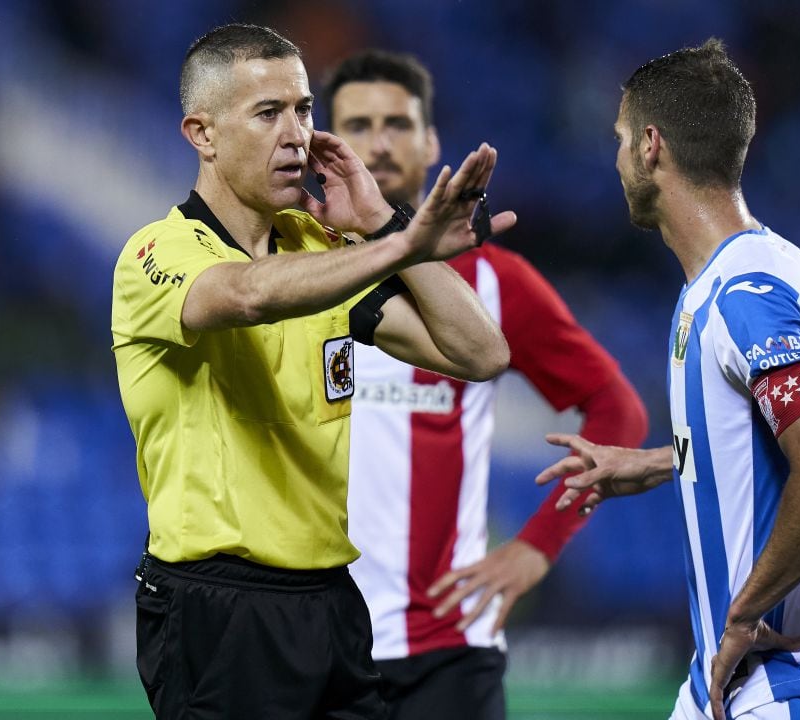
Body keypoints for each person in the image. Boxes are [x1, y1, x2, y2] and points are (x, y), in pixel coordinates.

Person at [111, 23, 517, 720]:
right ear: (202, 134)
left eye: (303, 109)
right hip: (218, 606)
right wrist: (398, 246)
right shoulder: (156, 252)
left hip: (330, 598)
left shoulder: (318, 248)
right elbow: (246, 295)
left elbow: (481, 354)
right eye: (268, 114)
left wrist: (393, 230)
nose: (296, 133)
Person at [536, 39, 800, 720]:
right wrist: (648, 464)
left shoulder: (744, 295)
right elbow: (760, 448)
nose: (613, 161)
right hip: (735, 686)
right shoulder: (755, 272)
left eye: (618, 140)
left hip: (793, 682)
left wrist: (743, 613)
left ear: (650, 146)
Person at [323, 49, 649, 719]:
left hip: (447, 654)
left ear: (431, 142)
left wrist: (538, 545)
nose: (379, 143)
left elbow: (617, 411)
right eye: (357, 125)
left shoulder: (495, 282)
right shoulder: (291, 275)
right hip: (316, 646)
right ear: (329, 147)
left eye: (398, 123)